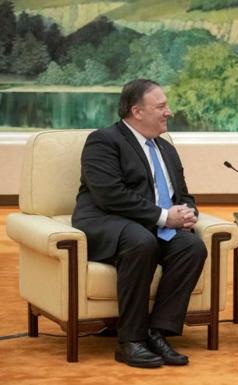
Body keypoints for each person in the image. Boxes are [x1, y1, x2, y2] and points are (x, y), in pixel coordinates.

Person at [72, 79, 207, 368]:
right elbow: (110, 195)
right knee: (140, 240)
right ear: (137, 111)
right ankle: (129, 341)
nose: (168, 112)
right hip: (106, 222)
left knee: (192, 247)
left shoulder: (166, 149)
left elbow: (183, 195)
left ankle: (157, 332)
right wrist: (163, 216)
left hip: (149, 226)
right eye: (161, 106)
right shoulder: (104, 140)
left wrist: (187, 213)